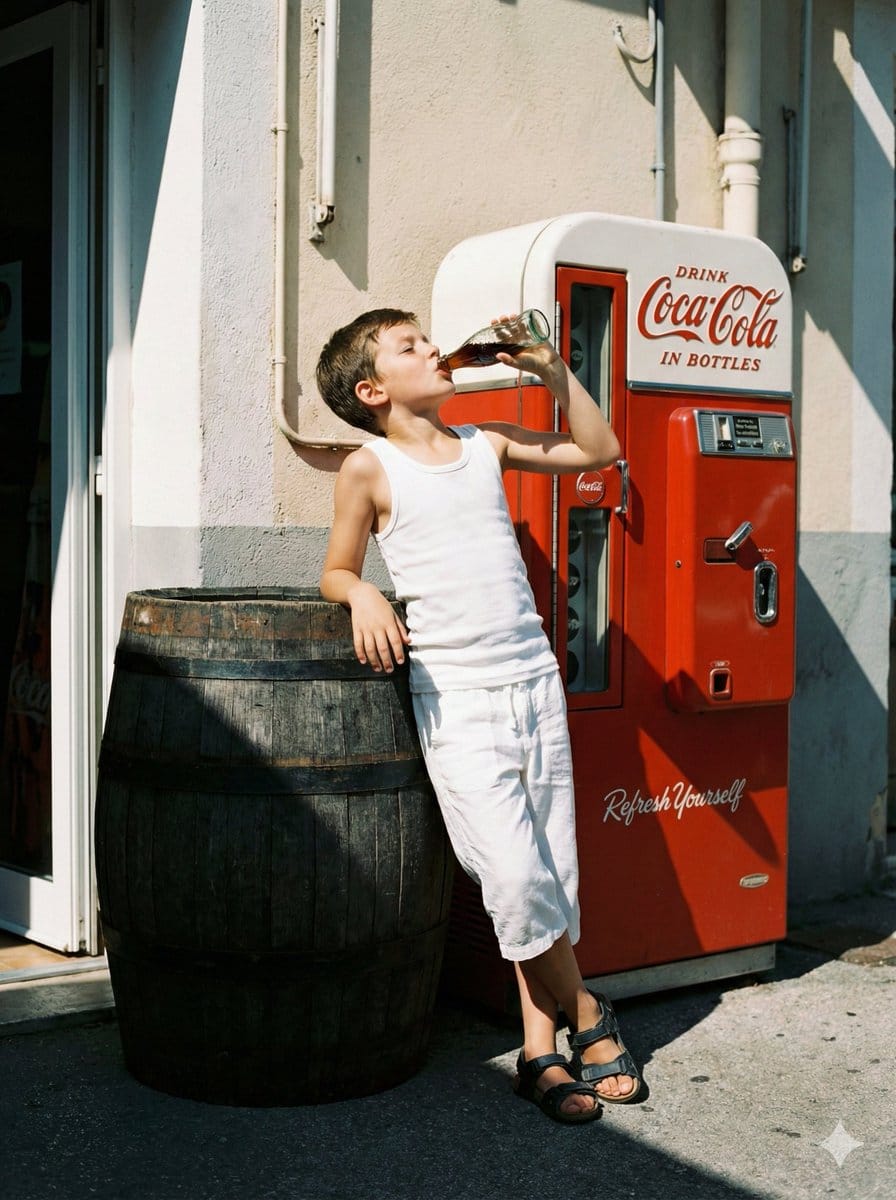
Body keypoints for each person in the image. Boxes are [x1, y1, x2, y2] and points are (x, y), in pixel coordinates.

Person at [317, 307, 643, 1124]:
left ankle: (538, 1054)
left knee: (552, 872)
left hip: (532, 678)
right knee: (512, 874)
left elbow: (600, 451)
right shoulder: (369, 466)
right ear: (372, 387)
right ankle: (590, 1015)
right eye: (409, 345)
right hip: (456, 693)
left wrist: (553, 372)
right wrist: (359, 593)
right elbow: (335, 567)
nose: (433, 347)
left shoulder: (485, 443)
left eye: (426, 337)